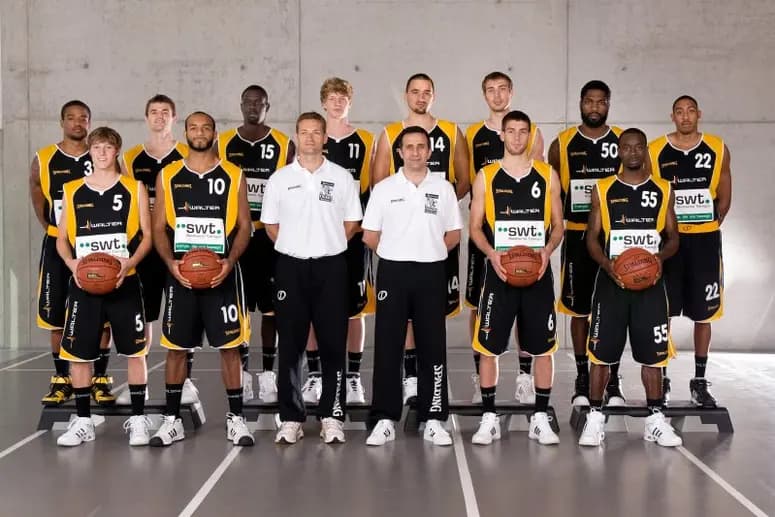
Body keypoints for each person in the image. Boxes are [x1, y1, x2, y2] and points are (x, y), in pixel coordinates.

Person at [149, 111, 254, 447]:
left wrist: (229, 261)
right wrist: (171, 263)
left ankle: (236, 419)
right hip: (181, 274)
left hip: (222, 272)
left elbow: (245, 226)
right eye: (193, 127)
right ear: (185, 133)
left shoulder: (233, 174)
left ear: (214, 133)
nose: (199, 132)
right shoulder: (168, 174)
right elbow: (158, 227)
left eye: (205, 127)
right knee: (176, 349)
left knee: (230, 348)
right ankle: (172, 420)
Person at [261, 112, 362, 445]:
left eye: (316, 132)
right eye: (304, 132)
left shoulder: (342, 177)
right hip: (290, 268)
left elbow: (352, 223)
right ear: (296, 136)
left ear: (324, 138)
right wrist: (297, 246)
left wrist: (325, 244)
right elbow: (271, 225)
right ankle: (291, 418)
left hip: (331, 267)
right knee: (290, 346)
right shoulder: (280, 179)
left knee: (333, 345)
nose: (309, 138)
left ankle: (332, 416)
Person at [578, 128, 682, 448]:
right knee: (601, 354)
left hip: (651, 285)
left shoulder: (663, 188)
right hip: (611, 284)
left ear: (645, 151)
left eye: (639, 147)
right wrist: (608, 265)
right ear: (619, 151)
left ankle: (655, 419)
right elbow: (591, 238)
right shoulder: (603, 189)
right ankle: (595, 416)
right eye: (627, 147)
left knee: (653, 355)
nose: (633, 152)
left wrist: (660, 258)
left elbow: (673, 238)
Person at [373, 73, 470, 404]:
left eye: (426, 92)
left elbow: (463, 180)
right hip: (399, 242)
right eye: (415, 91)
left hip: (436, 237)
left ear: (434, 96)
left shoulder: (452, 132)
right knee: (398, 318)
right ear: (406, 95)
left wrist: (436, 213)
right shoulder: (390, 133)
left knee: (431, 316)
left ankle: (430, 384)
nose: (421, 97)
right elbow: (377, 181)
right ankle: (410, 375)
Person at [469, 111, 563, 446]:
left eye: (523, 132)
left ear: (530, 135)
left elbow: (559, 225)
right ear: (503, 135)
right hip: (499, 273)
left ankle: (540, 417)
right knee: (489, 347)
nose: (517, 137)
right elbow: (475, 228)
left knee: (543, 349)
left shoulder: (547, 174)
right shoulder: (486, 176)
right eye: (511, 131)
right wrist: (491, 254)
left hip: (537, 273)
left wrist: (548, 250)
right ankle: (489, 417)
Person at [363, 126, 462, 447]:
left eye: (421, 146)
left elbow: (453, 233)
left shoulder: (443, 188)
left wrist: (428, 251)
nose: (416, 152)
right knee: (388, 346)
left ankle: (433, 419)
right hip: (393, 272)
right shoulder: (384, 188)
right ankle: (384, 419)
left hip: (431, 272)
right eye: (409, 147)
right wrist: (397, 252)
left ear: (430, 152)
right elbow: (370, 235)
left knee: (433, 347)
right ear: (400, 152)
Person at [55, 127, 152, 446]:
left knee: (135, 352)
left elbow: (148, 236)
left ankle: (138, 420)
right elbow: (61, 239)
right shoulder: (72, 190)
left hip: (124, 280)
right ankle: (83, 421)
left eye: (107, 147)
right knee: (79, 354)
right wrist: (72, 265)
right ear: (90, 152)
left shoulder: (134, 187)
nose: (101, 153)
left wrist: (129, 262)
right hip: (84, 284)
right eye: (96, 147)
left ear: (116, 151)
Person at [465, 71, 545, 405]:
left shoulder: (531, 132)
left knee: (524, 298)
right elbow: (469, 181)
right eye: (490, 90)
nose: (497, 95)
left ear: (511, 92)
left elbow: (536, 180)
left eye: (502, 89)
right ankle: (479, 375)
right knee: (478, 304)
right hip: (487, 232)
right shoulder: (472, 133)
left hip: (523, 233)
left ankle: (525, 376)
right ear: (484, 94)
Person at [30, 100, 115, 406]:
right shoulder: (44, 158)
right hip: (58, 245)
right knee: (55, 314)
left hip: (96, 246)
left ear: (89, 122)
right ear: (62, 122)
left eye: (83, 118)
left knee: (102, 312)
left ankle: (100, 378)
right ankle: (61, 379)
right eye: (71, 118)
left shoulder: (102, 155)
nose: (77, 123)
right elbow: (37, 193)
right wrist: (53, 230)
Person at [648, 95, 731, 406]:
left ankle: (699, 381)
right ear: (672, 116)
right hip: (669, 242)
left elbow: (724, 196)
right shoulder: (655, 149)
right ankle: (663, 377)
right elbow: (649, 193)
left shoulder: (717, 148)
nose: (685, 116)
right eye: (679, 112)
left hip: (704, 242)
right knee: (663, 310)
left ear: (699, 114)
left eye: (690, 111)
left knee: (703, 313)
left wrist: (706, 224)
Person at [547, 80, 626, 407]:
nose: (595, 107)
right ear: (580, 103)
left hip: (616, 238)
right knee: (579, 310)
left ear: (608, 104)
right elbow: (552, 193)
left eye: (601, 102)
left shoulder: (623, 140)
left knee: (615, 309)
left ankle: (613, 379)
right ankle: (582, 376)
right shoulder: (562, 143)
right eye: (589, 101)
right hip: (578, 234)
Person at [119, 94, 199, 406]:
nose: (159, 116)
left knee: (183, 312)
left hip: (179, 242)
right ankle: (140, 382)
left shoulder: (187, 154)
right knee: (145, 314)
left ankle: (187, 380)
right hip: (144, 245)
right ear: (146, 117)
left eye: (166, 112)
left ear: (174, 118)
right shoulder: (130, 158)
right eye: (154, 111)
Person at [218, 85, 295, 403]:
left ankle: (267, 374)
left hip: (270, 236)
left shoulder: (283, 143)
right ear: (240, 105)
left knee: (272, 308)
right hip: (237, 235)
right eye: (248, 102)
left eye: (258, 103)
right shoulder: (223, 142)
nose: (253, 107)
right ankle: (244, 374)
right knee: (241, 308)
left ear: (267, 107)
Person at [302, 78, 375, 405]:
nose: (336, 102)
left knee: (354, 310)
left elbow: (373, 189)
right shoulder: (312, 140)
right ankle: (315, 376)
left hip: (353, 238)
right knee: (312, 306)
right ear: (323, 103)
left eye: (342, 97)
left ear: (349, 102)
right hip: (316, 237)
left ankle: (353, 377)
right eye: (331, 97)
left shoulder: (366, 140)